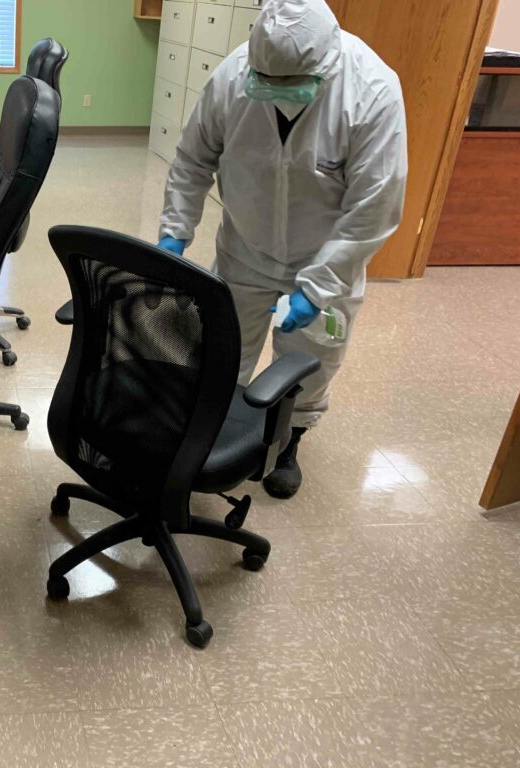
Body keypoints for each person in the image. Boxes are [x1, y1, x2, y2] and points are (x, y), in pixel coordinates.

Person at [158, 0, 407, 498]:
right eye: (268, 80)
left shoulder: (373, 90)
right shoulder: (232, 77)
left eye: (292, 82)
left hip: (325, 254)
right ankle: (216, 425)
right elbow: (192, 160)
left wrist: (319, 285)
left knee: (313, 356)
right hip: (245, 244)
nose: (279, 91)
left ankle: (290, 437)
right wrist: (175, 231)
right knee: (224, 346)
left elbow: (375, 205)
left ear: (326, 63)